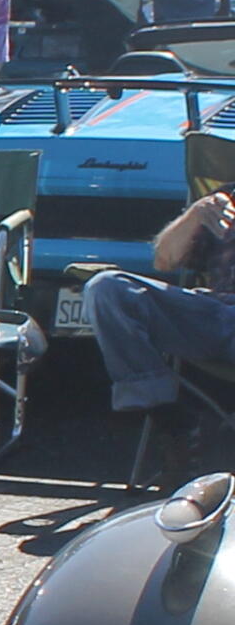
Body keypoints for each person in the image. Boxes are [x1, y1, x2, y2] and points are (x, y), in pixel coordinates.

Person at [82, 184, 235, 461]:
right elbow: (164, 261)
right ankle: (174, 423)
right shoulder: (225, 200)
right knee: (107, 289)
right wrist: (194, 215)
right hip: (214, 315)